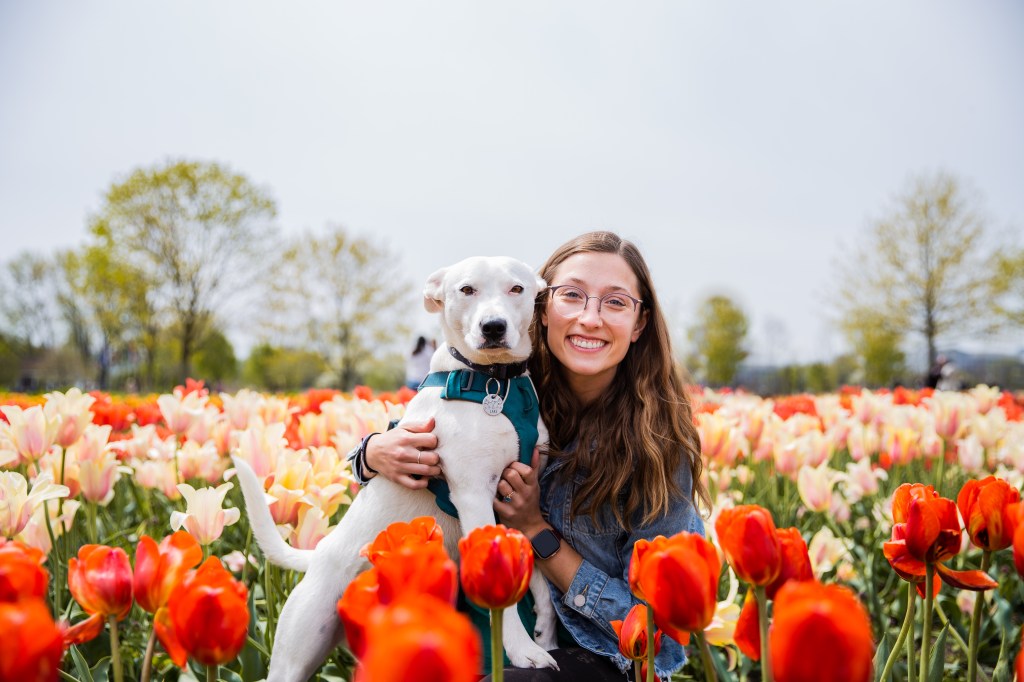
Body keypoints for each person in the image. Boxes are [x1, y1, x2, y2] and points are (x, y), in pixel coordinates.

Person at [352, 231, 710, 680]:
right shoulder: (501, 384)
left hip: (596, 651)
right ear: (543, 309)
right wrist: (372, 453)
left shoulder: (658, 446)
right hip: (473, 626)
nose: (590, 317)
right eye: (573, 296)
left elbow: (658, 631)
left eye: (616, 302)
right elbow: (431, 432)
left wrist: (536, 531)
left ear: (639, 324)